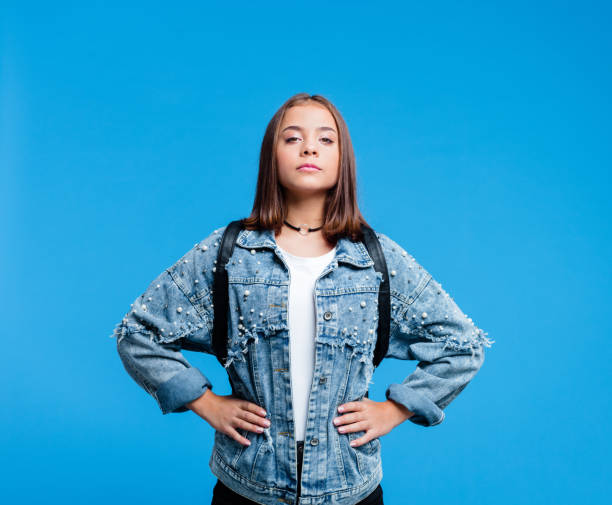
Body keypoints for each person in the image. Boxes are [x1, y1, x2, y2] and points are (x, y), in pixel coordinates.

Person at [111, 93, 494, 505]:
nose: (309, 147)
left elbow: (464, 346)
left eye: (326, 140)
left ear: (342, 160)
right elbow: (137, 333)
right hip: (247, 486)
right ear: (271, 156)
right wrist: (207, 404)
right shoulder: (229, 252)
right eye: (292, 138)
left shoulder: (378, 260)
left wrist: (395, 410)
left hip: (350, 490)